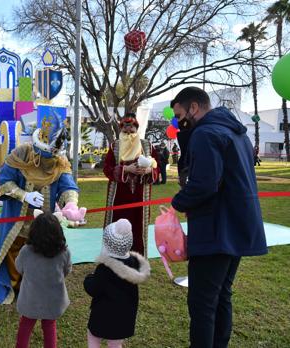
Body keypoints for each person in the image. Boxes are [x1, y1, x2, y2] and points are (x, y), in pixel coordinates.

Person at [170, 87, 267, 348]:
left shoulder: (205, 134)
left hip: (216, 228)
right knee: (221, 294)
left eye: (180, 115)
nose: (179, 122)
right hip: (236, 225)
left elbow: (204, 184)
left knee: (202, 302)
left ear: (193, 107)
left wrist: (177, 202)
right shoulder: (235, 134)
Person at [0, 112, 79, 304]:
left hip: (45, 223)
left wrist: (71, 203)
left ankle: (38, 288)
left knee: (43, 254)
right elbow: (4, 182)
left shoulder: (60, 161)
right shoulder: (20, 154)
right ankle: (16, 287)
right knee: (15, 252)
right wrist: (24, 195)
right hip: (18, 218)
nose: (50, 161)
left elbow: (68, 186)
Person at [84, 219, 150, 348]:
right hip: (124, 317)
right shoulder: (134, 263)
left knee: (93, 337)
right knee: (115, 343)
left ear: (107, 244)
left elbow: (94, 289)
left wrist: (88, 279)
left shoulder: (105, 268)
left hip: (103, 316)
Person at [103, 113, 158, 256]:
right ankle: (113, 259)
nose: (128, 135)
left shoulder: (147, 146)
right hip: (118, 197)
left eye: (132, 132)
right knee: (115, 227)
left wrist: (147, 170)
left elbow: (156, 169)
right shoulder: (114, 146)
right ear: (121, 131)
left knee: (138, 228)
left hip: (140, 198)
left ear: (137, 130)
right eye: (125, 132)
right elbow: (107, 169)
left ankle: (138, 260)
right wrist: (126, 169)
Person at [15, 211, 71, 348]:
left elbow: (19, 268)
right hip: (53, 300)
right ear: (58, 232)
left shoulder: (26, 251)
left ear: (33, 231)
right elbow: (67, 271)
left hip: (30, 299)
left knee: (25, 326)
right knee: (49, 326)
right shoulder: (64, 252)